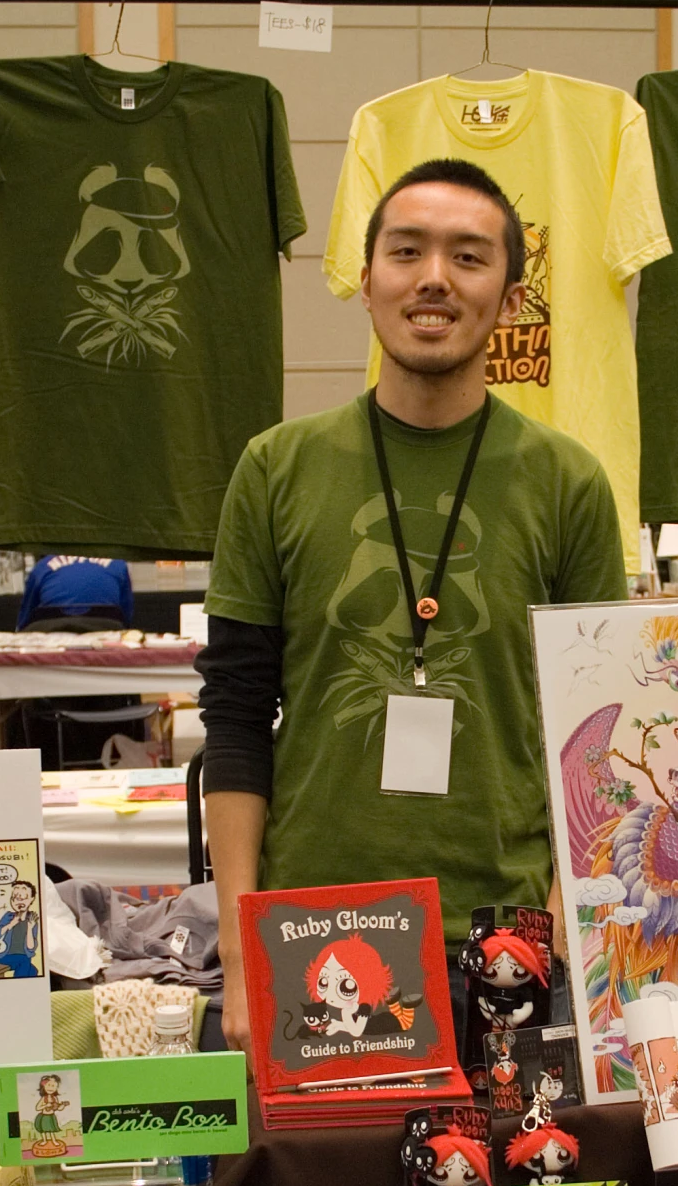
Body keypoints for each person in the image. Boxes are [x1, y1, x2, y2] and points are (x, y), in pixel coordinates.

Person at [198, 157, 626, 1049]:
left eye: (469, 257)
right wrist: (241, 959)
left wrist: (556, 943)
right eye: (406, 251)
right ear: (366, 282)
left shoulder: (567, 482)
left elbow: (598, 737)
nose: (434, 277)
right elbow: (236, 713)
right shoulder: (276, 468)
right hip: (313, 936)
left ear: (511, 299)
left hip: (506, 948)